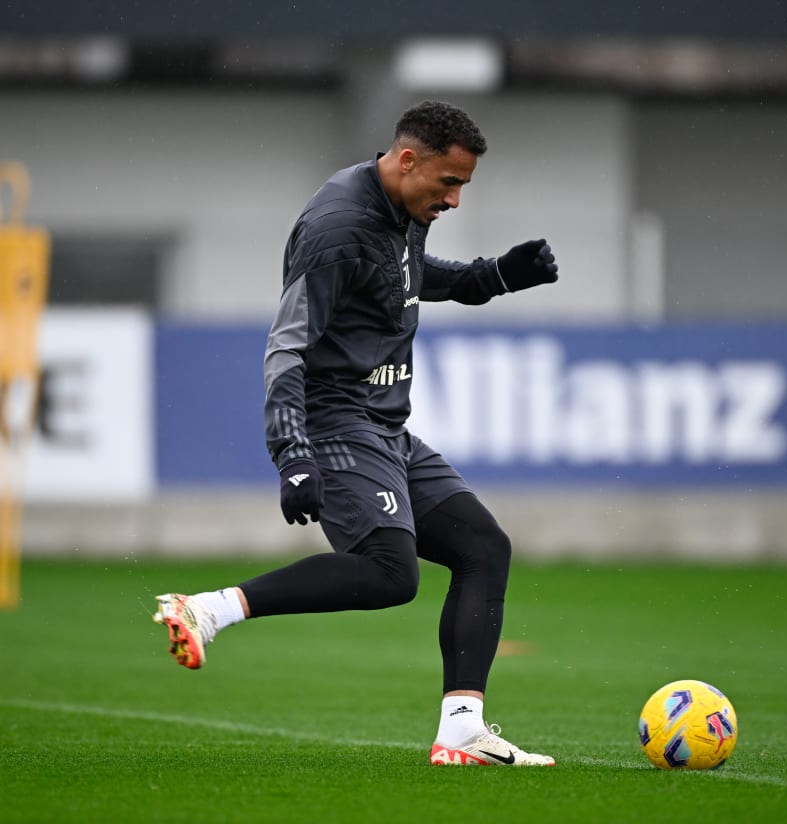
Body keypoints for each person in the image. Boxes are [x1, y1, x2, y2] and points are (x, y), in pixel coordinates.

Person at [153, 100, 559, 767]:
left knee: (483, 548)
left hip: (384, 423)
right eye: (448, 182)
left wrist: (495, 277)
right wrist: (293, 455)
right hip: (334, 418)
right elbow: (286, 346)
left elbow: (403, 275)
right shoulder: (337, 226)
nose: (455, 199)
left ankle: (462, 731)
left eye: (463, 186)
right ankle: (207, 610)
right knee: (389, 573)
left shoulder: (402, 210)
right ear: (407, 160)